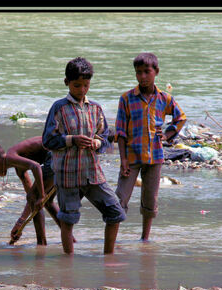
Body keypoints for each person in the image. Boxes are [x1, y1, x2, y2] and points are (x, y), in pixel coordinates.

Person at [42, 57, 126, 255]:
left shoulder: (95, 109)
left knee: (115, 213)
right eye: (76, 85)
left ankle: (109, 256)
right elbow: (48, 140)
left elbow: (105, 137)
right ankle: (68, 261)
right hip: (67, 174)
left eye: (85, 85)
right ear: (67, 83)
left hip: (92, 173)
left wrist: (97, 143)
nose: (81, 90)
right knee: (68, 218)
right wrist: (72, 140)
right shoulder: (59, 108)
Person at [114, 52, 187, 241]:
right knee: (119, 199)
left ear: (156, 72)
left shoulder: (164, 99)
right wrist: (123, 160)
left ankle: (144, 239)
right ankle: (112, 239)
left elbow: (181, 117)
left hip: (155, 157)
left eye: (147, 72)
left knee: (150, 200)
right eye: (139, 72)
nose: (143, 76)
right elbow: (120, 132)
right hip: (131, 157)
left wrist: (168, 134)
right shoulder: (127, 99)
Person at [0, 137, 68, 245]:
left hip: (56, 154)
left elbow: (35, 167)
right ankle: (70, 238)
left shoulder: (11, 157)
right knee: (46, 202)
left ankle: (41, 244)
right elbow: (31, 200)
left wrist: (41, 195)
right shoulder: (18, 167)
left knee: (37, 198)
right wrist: (20, 223)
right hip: (60, 155)